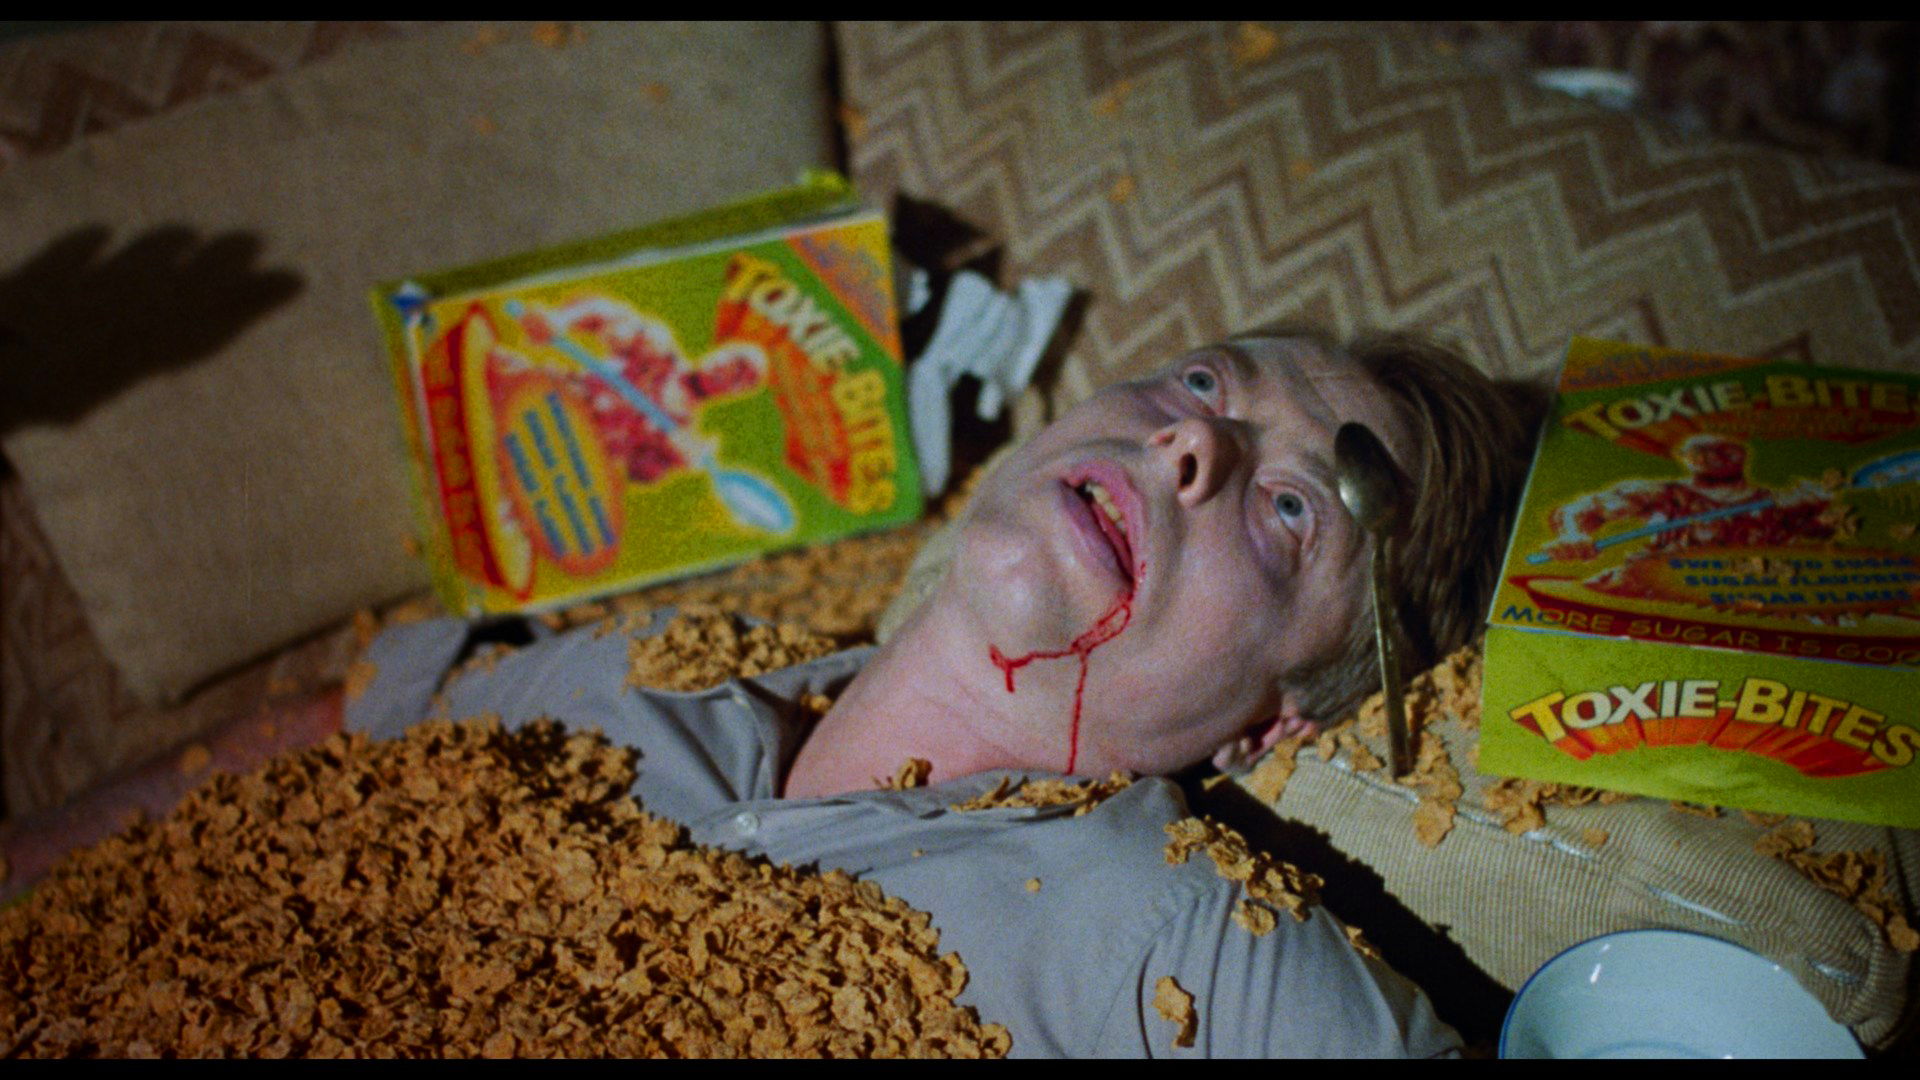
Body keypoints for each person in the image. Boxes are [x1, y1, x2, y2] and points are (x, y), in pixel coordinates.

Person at [3, 327, 1536, 1057]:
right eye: (1204, 384)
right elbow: (297, 740)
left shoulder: (1178, 941)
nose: (1192, 446)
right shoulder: (662, 661)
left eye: (1288, 512)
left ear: (1277, 721)